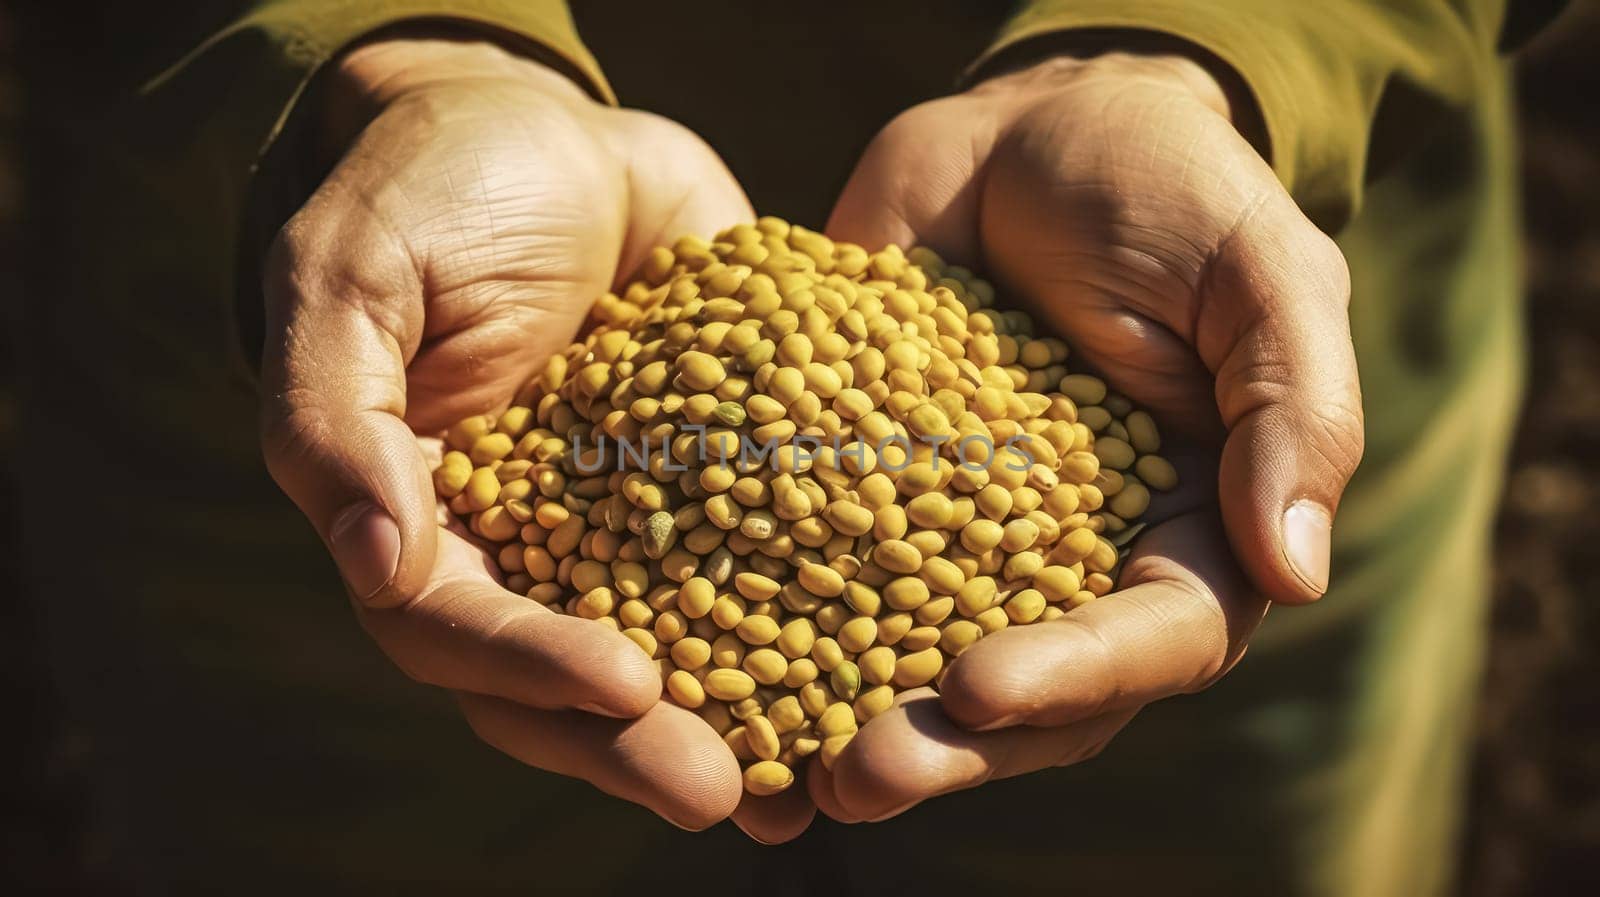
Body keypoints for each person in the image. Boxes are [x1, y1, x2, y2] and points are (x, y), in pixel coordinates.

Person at [17, 0, 1566, 893]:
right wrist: (383, 55)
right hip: (351, 327)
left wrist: (1215, 45)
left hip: (1193, 308)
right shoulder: (510, 457)